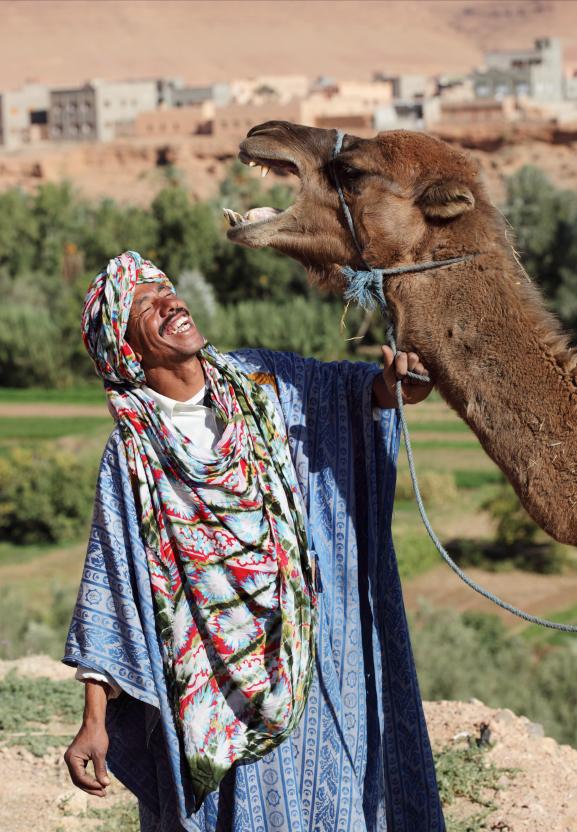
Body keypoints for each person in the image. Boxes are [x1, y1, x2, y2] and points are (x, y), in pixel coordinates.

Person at [63, 250, 445, 832]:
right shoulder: (133, 453)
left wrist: (397, 386)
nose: (170, 302)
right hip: (211, 692)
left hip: (309, 656)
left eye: (166, 288)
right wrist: (93, 720)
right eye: (145, 302)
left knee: (335, 802)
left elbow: (354, 393)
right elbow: (111, 583)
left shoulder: (259, 382)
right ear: (123, 347)